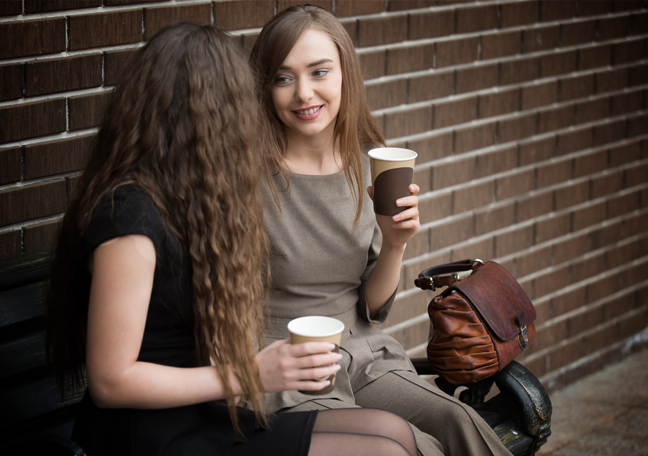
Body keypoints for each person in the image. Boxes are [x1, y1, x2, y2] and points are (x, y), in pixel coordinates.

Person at [45, 23, 418, 456]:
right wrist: (249, 374)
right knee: (384, 452)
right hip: (153, 435)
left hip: (208, 412)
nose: (249, 123)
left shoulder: (188, 199)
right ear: (204, 116)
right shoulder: (128, 218)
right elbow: (111, 381)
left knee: (394, 433)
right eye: (239, 106)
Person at [249, 6, 512, 456]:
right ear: (264, 86)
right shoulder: (246, 174)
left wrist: (395, 244)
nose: (304, 93)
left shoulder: (367, 161)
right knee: (417, 447)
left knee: (459, 422)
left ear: (344, 74)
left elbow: (371, 309)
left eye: (319, 71)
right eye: (283, 77)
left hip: (365, 355)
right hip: (293, 367)